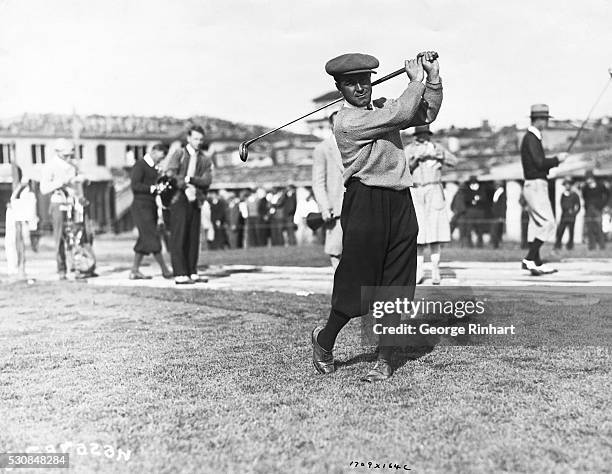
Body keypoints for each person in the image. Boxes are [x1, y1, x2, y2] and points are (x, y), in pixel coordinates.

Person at [312, 51, 442, 383]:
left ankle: (384, 359)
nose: (360, 88)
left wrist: (433, 79)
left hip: (399, 201)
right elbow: (402, 111)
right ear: (340, 88)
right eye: (350, 83)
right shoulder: (346, 121)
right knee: (357, 283)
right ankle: (325, 340)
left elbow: (423, 113)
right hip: (365, 203)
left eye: (364, 80)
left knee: (398, 283)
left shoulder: (384, 109)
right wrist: (415, 82)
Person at [405, 124, 457, 284]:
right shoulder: (409, 149)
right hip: (417, 190)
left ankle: (435, 270)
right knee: (419, 234)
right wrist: (417, 158)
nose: (423, 138)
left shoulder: (436, 147)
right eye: (420, 135)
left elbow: (454, 161)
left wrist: (437, 154)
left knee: (436, 232)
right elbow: (403, 169)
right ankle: (419, 271)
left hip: (434, 188)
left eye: (426, 135)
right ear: (415, 136)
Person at [520, 104, 568, 275]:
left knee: (538, 224)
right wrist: (557, 159)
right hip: (535, 186)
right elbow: (539, 163)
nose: (546, 122)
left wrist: (551, 164)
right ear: (538, 120)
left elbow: (536, 164)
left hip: (535, 184)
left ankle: (537, 262)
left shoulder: (532, 137)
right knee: (548, 223)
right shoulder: (531, 138)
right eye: (545, 119)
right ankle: (529, 258)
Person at [165, 125, 213, 284]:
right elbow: (171, 173)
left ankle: (192, 270)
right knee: (179, 235)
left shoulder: (204, 159)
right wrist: (184, 185)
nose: (198, 142)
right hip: (179, 198)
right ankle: (180, 272)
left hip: (196, 199)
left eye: (201, 139)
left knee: (193, 237)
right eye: (195, 139)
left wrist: (190, 180)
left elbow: (207, 180)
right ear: (188, 138)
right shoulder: (179, 154)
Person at [40, 138, 85, 280]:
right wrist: (61, 182)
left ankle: (76, 267)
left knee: (75, 237)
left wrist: (82, 179)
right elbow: (43, 188)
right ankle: (62, 270)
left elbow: (79, 181)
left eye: (70, 154)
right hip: (58, 203)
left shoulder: (72, 166)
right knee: (59, 238)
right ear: (58, 152)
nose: (68, 157)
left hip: (72, 204)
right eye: (66, 155)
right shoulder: (50, 166)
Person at [129, 143, 172, 279]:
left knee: (144, 239)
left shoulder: (155, 168)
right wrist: (153, 188)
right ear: (154, 151)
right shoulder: (140, 165)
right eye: (161, 156)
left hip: (150, 206)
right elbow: (135, 186)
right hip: (141, 207)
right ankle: (165, 269)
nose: (162, 159)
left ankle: (134, 270)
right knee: (152, 237)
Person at [312, 111, 344, 269]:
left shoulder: (357, 144)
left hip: (358, 207)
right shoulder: (322, 149)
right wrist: (324, 208)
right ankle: (341, 289)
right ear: (331, 126)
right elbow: (318, 183)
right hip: (335, 210)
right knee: (336, 250)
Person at [581, 170, 608, 250]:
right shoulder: (585, 188)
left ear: (592, 178)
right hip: (589, 209)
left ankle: (602, 246)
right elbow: (584, 197)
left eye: (588, 178)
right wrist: (587, 206)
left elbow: (607, 195)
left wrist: (603, 205)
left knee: (599, 227)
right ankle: (591, 247)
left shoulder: (600, 186)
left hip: (598, 209)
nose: (587, 180)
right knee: (590, 228)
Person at [554, 178, 581, 250]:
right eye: (565, 185)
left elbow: (578, 206)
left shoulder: (575, 195)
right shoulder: (563, 195)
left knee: (571, 232)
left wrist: (574, 213)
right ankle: (557, 245)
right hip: (564, 216)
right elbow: (561, 204)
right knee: (560, 231)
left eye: (568, 185)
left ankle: (570, 246)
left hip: (571, 217)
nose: (567, 186)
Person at [462, 176, 488, 248]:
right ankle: (469, 244)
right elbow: (466, 199)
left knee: (480, 229)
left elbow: (484, 199)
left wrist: (477, 199)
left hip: (479, 211)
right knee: (469, 229)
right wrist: (474, 199)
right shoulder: (468, 190)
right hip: (470, 211)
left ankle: (480, 244)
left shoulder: (481, 189)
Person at [489, 180, 507, 249]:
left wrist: (502, 216)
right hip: (495, 215)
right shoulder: (496, 192)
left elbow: (503, 205)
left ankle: (496, 245)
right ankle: (494, 244)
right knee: (494, 230)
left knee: (496, 231)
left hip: (499, 215)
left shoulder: (502, 193)